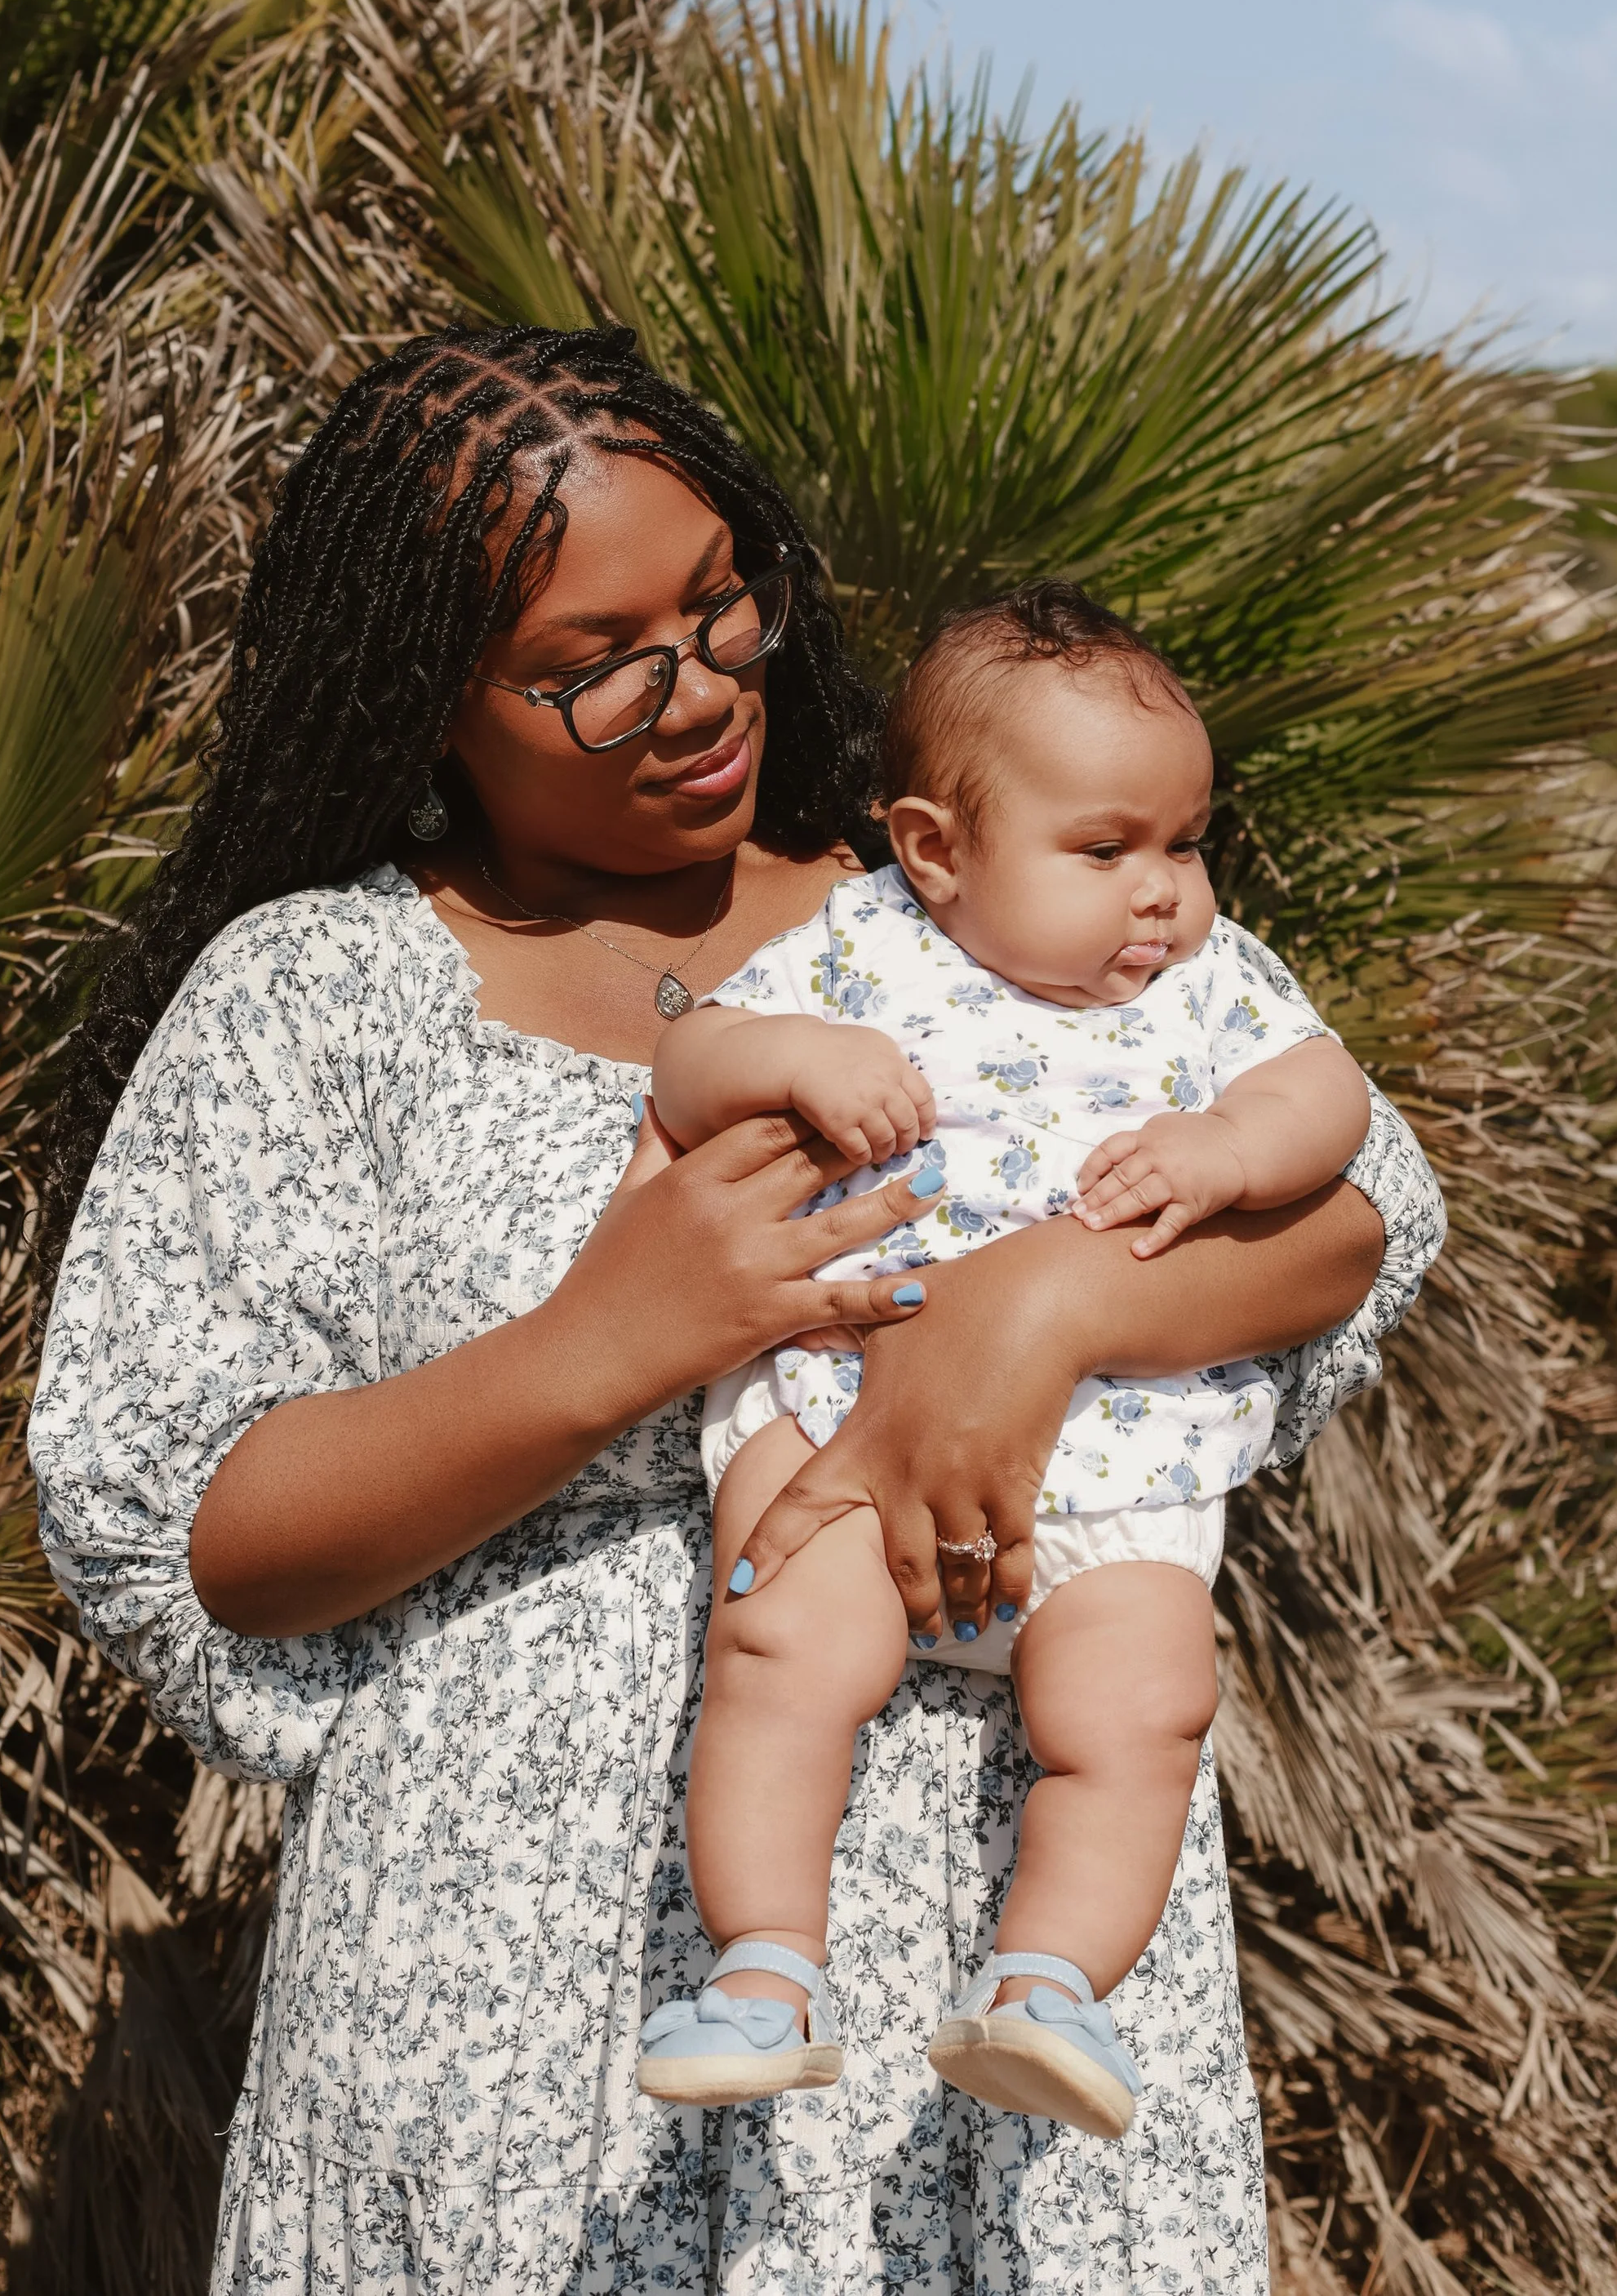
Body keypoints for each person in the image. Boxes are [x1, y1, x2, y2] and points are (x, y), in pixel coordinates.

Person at [28, 323, 1446, 2295]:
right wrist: (607, 1339)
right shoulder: (316, 996)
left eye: (717, 610)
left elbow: (1352, 1221)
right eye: (589, 663)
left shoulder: (968, 907)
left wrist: (1043, 1306)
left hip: (981, 1931)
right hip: (499, 1991)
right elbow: (224, 1546)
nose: (690, 693)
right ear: (421, 694)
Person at [633, 585, 1373, 2137]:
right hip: (854, 1408)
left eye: (1185, 840)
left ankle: (1047, 1987)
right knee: (779, 1658)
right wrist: (792, 1057)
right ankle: (764, 1964)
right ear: (937, 849)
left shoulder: (1209, 985)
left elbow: (1331, 1095)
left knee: (1147, 1710)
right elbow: (692, 1061)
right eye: (1107, 850)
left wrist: (1227, 1144)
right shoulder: (859, 949)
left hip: (1114, 1454)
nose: (1163, 891)